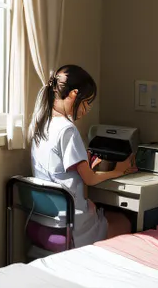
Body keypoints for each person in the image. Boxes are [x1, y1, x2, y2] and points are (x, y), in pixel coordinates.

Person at [29, 64, 137, 248]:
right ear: (73, 94)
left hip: (44, 220)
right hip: (70, 224)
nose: (86, 110)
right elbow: (90, 179)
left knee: (101, 211)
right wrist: (118, 171)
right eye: (87, 103)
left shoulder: (41, 123)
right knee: (125, 221)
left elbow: (60, 169)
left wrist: (85, 164)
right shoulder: (67, 129)